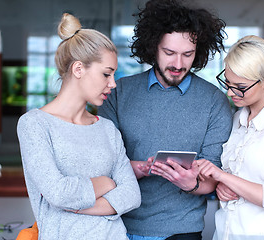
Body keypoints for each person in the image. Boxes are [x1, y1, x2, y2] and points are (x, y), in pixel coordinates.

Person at [97, 0, 232, 239]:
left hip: (182, 231)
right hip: (117, 226)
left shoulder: (215, 101)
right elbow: (101, 166)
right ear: (153, 47)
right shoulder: (117, 93)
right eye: (169, 53)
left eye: (187, 54)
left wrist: (191, 183)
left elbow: (212, 180)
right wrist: (141, 168)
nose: (178, 64)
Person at [16, 13, 141, 240]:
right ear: (78, 69)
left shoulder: (107, 129)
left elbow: (132, 195)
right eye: (106, 74)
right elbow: (58, 193)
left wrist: (79, 206)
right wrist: (107, 183)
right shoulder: (34, 124)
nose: (113, 83)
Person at [197, 35, 264, 239]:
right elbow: (239, 178)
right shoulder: (238, 119)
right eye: (227, 83)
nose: (230, 93)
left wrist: (222, 176)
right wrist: (221, 186)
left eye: (240, 87)